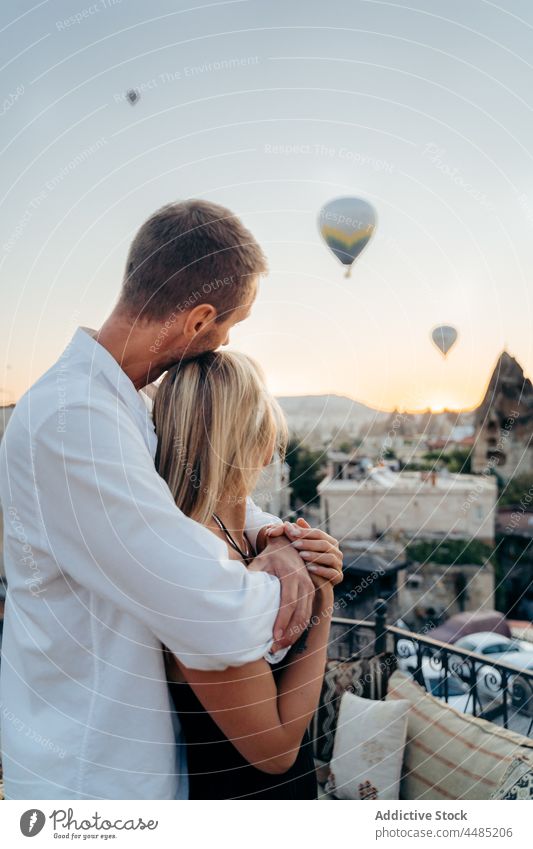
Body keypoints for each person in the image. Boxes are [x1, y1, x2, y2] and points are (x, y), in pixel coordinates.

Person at [0, 200, 339, 800]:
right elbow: (205, 606)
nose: (228, 341)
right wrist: (312, 587)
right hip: (90, 776)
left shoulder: (122, 407)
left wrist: (276, 540)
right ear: (200, 320)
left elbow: (191, 495)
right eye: (232, 326)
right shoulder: (73, 419)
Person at [153, 351, 341, 799]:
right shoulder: (199, 563)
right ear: (254, 438)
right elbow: (274, 750)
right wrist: (325, 605)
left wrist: (287, 544)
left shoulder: (239, 535)